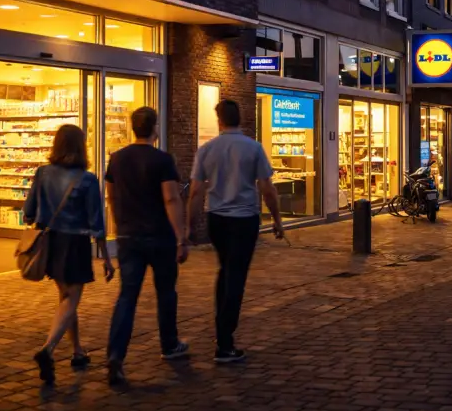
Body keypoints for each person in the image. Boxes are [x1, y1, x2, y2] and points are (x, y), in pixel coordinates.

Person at [188, 100, 284, 364]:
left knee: (224, 270)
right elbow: (267, 188)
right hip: (244, 219)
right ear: (240, 119)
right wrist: (277, 220)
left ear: (219, 121)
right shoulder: (253, 148)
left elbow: (196, 191)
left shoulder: (207, 149)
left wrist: (188, 227)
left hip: (216, 219)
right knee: (235, 276)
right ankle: (225, 341)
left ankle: (221, 330)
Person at [105, 107, 190, 386]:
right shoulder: (162, 160)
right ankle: (169, 343)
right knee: (166, 292)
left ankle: (116, 354)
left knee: (127, 296)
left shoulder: (116, 159)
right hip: (160, 236)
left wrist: (119, 226)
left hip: (129, 237)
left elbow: (111, 197)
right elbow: (171, 199)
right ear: (154, 128)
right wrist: (181, 236)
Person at [24, 124, 114, 385]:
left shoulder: (42, 173)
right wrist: (106, 257)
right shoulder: (86, 179)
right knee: (71, 298)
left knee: (66, 297)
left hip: (50, 242)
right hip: (74, 243)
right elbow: (97, 222)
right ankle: (47, 349)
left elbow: (29, 210)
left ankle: (77, 351)